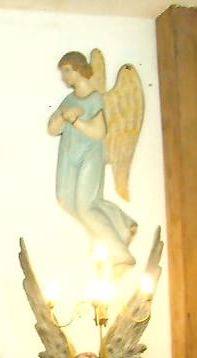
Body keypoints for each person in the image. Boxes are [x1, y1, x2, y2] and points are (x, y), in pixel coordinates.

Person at [47, 51, 137, 270]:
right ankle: (122, 225)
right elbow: (53, 129)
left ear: (79, 70)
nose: (64, 76)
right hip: (69, 155)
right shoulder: (69, 100)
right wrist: (61, 117)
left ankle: (120, 254)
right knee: (65, 199)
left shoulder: (95, 99)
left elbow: (98, 132)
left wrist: (75, 120)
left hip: (89, 155)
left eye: (67, 71)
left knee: (86, 206)